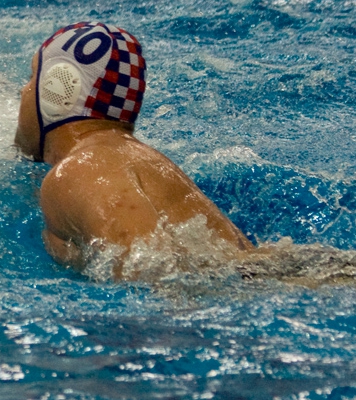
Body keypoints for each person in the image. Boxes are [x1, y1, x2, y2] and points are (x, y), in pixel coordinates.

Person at [13, 22, 254, 279]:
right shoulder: (139, 159)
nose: (22, 90)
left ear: (57, 90)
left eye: (31, 77)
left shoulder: (80, 170)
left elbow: (153, 275)